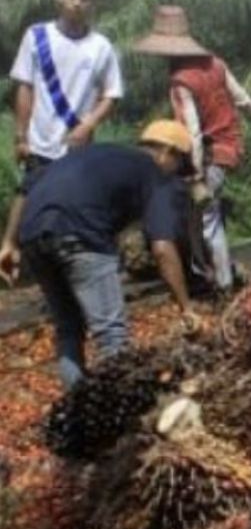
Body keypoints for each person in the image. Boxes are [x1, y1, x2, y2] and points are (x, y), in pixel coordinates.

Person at [0, 120, 199, 388]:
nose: (178, 175)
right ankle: (121, 416)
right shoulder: (154, 173)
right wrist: (186, 308)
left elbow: (27, 188)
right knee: (111, 335)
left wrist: (9, 243)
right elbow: (163, 248)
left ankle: (79, 409)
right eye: (181, 166)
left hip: (33, 234)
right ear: (167, 153)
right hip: (82, 234)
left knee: (69, 328)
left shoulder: (98, 153)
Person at [132, 6, 251, 291]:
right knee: (201, 218)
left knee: (206, 222)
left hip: (208, 156)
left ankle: (218, 284)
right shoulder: (215, 63)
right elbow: (243, 100)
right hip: (229, 148)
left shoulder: (180, 82)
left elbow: (193, 132)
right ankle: (210, 276)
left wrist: (196, 174)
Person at [9, 0, 123, 172]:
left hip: (77, 149)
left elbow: (112, 95)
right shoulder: (36, 36)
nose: (77, 3)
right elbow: (25, 88)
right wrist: (20, 137)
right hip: (38, 147)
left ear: (92, 3)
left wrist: (87, 126)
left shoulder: (101, 47)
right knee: (30, 201)